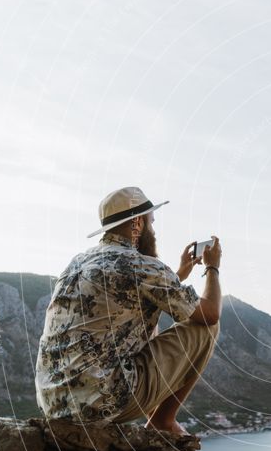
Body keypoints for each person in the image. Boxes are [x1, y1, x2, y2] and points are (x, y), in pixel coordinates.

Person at [35, 186, 222, 435]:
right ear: (137, 223)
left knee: (146, 318)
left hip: (54, 404)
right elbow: (210, 313)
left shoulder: (78, 262)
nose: (153, 231)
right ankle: (163, 421)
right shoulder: (141, 265)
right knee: (206, 328)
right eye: (151, 223)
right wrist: (212, 268)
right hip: (101, 403)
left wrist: (178, 275)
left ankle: (159, 421)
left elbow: (134, 298)